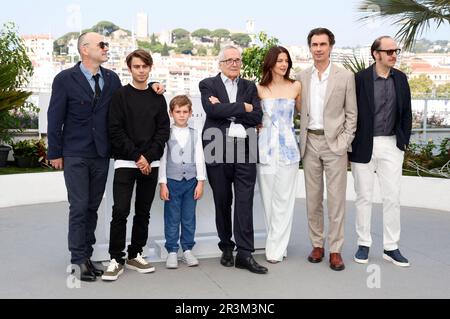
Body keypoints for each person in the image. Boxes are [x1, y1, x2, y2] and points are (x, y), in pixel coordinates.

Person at [47, 32, 122, 282]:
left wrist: (154, 86)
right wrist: (55, 152)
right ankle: (77, 260)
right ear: (84, 49)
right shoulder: (65, 79)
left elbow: (124, 105)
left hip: (101, 154)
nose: (106, 48)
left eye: (106, 44)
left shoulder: (112, 79)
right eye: (102, 44)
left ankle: (87, 256)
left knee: (92, 207)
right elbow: (55, 117)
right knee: (78, 207)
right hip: (75, 153)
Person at [101, 49, 170, 281]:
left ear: (150, 68)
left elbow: (163, 131)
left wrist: (148, 157)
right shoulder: (120, 96)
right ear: (129, 69)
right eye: (136, 67)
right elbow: (115, 129)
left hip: (151, 163)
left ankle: (135, 254)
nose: (141, 70)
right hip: (126, 162)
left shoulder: (158, 97)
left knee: (143, 212)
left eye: (145, 66)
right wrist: (138, 157)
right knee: (120, 211)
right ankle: (115, 258)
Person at [199, 45, 267, 274]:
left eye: (237, 60)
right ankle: (226, 247)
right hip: (216, 144)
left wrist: (227, 108)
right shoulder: (208, 84)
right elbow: (212, 111)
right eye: (229, 60)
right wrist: (242, 108)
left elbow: (257, 115)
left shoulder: (249, 86)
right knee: (222, 200)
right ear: (220, 63)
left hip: (245, 147)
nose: (234, 64)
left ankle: (245, 254)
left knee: (245, 201)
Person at [297, 28, 357, 271]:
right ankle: (317, 245)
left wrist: (343, 141)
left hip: (335, 145)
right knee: (313, 200)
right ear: (310, 47)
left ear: (331, 46)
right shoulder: (302, 76)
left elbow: (352, 114)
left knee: (336, 200)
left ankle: (335, 249)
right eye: (314, 44)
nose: (318, 48)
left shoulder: (345, 76)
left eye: (323, 44)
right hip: (309, 142)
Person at [350, 36, 412, 267]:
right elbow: (351, 110)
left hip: (392, 145)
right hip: (363, 145)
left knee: (392, 197)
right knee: (364, 197)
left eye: (396, 51)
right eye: (389, 51)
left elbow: (407, 112)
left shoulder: (401, 78)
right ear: (376, 54)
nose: (393, 55)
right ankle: (363, 244)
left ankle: (391, 247)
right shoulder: (360, 79)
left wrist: (403, 142)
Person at [256, 46, 301, 263]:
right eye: (279, 60)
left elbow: (306, 115)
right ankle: (276, 244)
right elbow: (254, 117)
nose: (283, 64)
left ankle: (276, 248)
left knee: (284, 200)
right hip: (265, 150)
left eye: (286, 61)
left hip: (289, 149)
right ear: (271, 63)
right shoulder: (260, 89)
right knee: (268, 199)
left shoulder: (296, 86)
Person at [158, 95, 207, 269]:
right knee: (172, 218)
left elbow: (200, 157)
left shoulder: (195, 133)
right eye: (178, 111)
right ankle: (172, 250)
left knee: (188, 217)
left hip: (191, 182)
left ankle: (187, 249)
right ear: (171, 113)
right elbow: (163, 159)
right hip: (172, 181)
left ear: (190, 113)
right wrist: (162, 183)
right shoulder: (167, 133)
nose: (181, 115)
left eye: (185, 111)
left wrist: (201, 181)